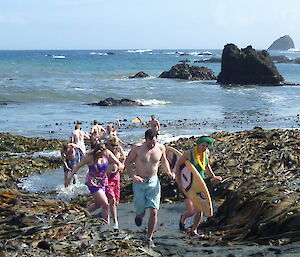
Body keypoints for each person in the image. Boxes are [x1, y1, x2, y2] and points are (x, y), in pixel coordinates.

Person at [124, 129, 175, 247]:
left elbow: (164, 161)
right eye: (150, 143)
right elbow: (127, 162)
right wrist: (133, 176)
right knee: (141, 212)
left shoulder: (160, 148)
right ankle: (139, 216)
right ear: (145, 139)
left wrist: (168, 172)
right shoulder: (137, 148)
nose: (152, 145)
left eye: (154, 142)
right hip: (139, 182)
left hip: (153, 182)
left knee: (153, 211)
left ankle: (149, 238)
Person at [175, 136, 222, 236]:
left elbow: (206, 165)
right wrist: (179, 181)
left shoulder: (206, 153)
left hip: (200, 184)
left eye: (206, 146)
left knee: (200, 208)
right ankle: (183, 218)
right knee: (191, 211)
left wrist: (213, 176)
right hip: (187, 184)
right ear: (198, 144)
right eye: (203, 145)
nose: (204, 148)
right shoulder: (189, 153)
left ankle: (194, 229)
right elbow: (178, 165)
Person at [66, 143, 124, 224]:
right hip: (92, 182)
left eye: (104, 154)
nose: (103, 156)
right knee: (105, 204)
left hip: (103, 181)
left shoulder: (107, 153)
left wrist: (119, 165)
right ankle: (106, 225)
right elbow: (77, 166)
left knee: (97, 205)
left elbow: (118, 162)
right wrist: (70, 178)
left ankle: (82, 214)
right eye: (101, 155)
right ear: (98, 152)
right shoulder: (90, 158)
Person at [105, 136, 126, 229]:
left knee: (115, 200)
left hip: (116, 176)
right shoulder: (105, 152)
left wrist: (122, 165)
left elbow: (124, 157)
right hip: (106, 177)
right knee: (111, 198)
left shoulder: (118, 149)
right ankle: (115, 221)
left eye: (115, 145)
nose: (114, 147)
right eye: (112, 145)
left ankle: (108, 213)